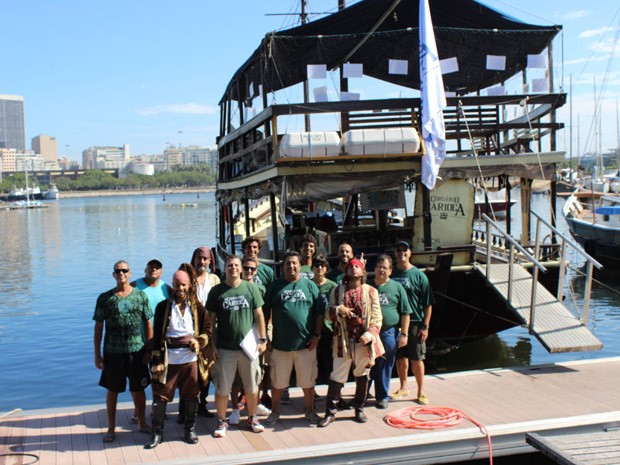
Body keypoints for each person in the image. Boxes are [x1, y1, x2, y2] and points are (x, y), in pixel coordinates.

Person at [145, 269, 210, 449]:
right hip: (168, 359)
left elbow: (207, 330)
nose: (180, 288)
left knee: (191, 396)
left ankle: (189, 429)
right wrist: (156, 362)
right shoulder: (162, 307)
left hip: (190, 359)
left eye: (183, 285)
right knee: (160, 397)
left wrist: (198, 342)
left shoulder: (197, 307)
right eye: (176, 285)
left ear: (189, 286)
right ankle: (157, 433)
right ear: (172, 286)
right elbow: (157, 336)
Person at [206, 255, 268, 437]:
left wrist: (263, 340)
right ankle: (221, 421)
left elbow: (259, 316)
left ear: (241, 269)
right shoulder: (217, 292)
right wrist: (212, 346)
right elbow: (210, 321)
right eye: (229, 265)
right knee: (222, 388)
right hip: (225, 348)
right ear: (224, 269)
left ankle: (252, 417)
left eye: (236, 265)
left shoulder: (251, 289)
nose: (233, 268)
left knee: (251, 386)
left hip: (248, 348)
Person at [93, 260, 153, 443]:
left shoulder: (140, 296)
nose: (121, 274)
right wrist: (97, 354)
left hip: (137, 351)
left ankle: (142, 422)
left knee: (139, 388)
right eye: (118, 271)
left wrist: (148, 350)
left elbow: (148, 323)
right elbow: (98, 327)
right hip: (113, 352)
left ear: (130, 273)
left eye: (124, 271)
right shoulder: (105, 298)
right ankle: (111, 428)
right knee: (113, 390)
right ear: (114, 275)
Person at [319, 258, 383, 427]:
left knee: (362, 373)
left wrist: (370, 334)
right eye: (351, 267)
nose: (354, 269)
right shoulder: (337, 291)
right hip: (343, 340)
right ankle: (330, 412)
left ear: (362, 272)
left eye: (357, 267)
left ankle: (359, 408)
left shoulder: (371, 292)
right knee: (337, 375)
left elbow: (377, 317)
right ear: (346, 272)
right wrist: (337, 309)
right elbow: (327, 314)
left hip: (363, 341)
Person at [263, 251, 324, 426]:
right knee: (277, 383)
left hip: (306, 345)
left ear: (300, 265)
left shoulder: (310, 286)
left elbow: (319, 313)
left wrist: (317, 336)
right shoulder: (275, 287)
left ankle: (310, 411)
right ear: (282, 267)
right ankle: (275, 412)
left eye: (294, 263)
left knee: (308, 382)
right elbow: (265, 314)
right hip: (280, 346)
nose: (291, 266)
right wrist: (266, 338)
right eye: (288, 263)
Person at [391, 241, 434, 405]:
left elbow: (427, 304)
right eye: (398, 250)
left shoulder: (419, 275)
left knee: (417, 358)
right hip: (396, 322)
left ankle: (421, 390)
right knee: (400, 357)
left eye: (405, 250)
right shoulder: (392, 273)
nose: (402, 252)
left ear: (410, 253)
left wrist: (425, 326)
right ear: (395, 254)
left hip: (415, 322)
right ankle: (403, 386)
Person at [130, 258, 172, 423]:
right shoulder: (135, 285)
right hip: (138, 340)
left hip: (159, 340)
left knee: (159, 377)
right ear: (145, 269)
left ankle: (158, 408)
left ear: (161, 271)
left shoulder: (166, 288)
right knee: (137, 380)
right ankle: (137, 411)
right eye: (151, 267)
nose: (153, 270)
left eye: (157, 267)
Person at [370, 254, 412, 409]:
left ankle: (382, 397)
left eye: (385, 268)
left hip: (389, 333)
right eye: (379, 267)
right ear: (374, 269)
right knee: (366, 365)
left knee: (384, 365)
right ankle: (362, 395)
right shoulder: (367, 286)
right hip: (370, 333)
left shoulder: (396, 287)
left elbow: (406, 312)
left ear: (390, 270)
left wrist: (404, 334)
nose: (382, 270)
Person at [189, 247, 221, 419]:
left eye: (205, 259)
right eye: (199, 258)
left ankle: (202, 404)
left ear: (210, 261)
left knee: (206, 370)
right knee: (189, 370)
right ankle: (185, 407)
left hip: (210, 332)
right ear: (194, 259)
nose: (202, 262)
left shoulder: (214, 279)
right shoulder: (188, 278)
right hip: (191, 332)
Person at [311, 253, 337, 385]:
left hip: (328, 329)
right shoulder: (308, 285)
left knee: (329, 361)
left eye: (322, 265)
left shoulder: (332, 286)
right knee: (312, 362)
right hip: (311, 329)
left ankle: (331, 392)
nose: (319, 268)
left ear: (326, 268)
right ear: (312, 268)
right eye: (316, 265)